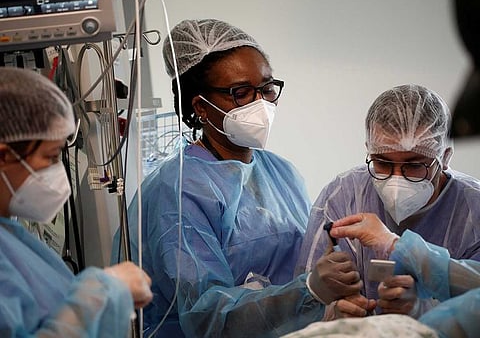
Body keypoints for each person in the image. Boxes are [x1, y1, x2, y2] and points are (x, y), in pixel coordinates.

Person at [115, 18, 364, 337]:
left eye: (267, 88)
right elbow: (206, 316)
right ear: (200, 106)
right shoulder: (178, 190)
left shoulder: (281, 173)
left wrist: (331, 298)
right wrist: (309, 291)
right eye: (241, 93)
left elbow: (302, 264)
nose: (260, 103)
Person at [295, 84, 480, 319]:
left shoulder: (473, 209)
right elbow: (302, 301)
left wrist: (422, 311)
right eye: (382, 163)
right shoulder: (343, 195)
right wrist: (330, 314)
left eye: (414, 165)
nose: (396, 180)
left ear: (444, 158)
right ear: (369, 151)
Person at [0, 67, 153, 337]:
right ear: (4, 157)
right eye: (51, 157)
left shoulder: (11, 236)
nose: (58, 172)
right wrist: (104, 292)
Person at [328, 213, 480, 338]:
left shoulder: (473, 212)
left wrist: (417, 310)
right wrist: (328, 308)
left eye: (413, 173)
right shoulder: (341, 194)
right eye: (383, 173)